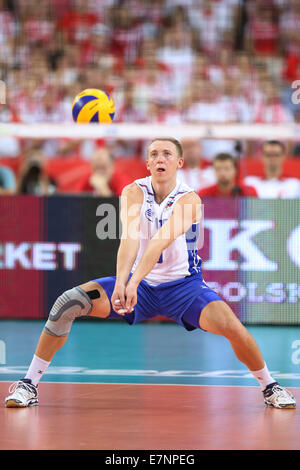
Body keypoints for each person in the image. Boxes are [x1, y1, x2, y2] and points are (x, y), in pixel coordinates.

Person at [5, 138, 295, 409]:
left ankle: (270, 387)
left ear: (179, 163)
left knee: (232, 326)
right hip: (140, 288)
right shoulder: (133, 191)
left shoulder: (189, 200)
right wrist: (123, 283)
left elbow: (158, 242)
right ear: (147, 164)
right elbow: (129, 239)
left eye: (167, 154)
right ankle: (29, 383)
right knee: (67, 303)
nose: (160, 158)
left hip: (184, 288)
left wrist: (132, 281)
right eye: (154, 154)